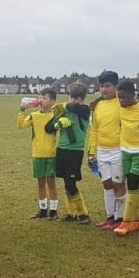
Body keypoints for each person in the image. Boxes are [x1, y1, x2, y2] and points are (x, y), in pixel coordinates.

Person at [112, 80, 139, 236]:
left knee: (133, 183)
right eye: (119, 98)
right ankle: (137, 220)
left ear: (133, 95)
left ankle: (126, 222)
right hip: (124, 151)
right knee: (130, 184)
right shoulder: (120, 108)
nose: (121, 101)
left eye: (124, 97)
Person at [47, 82, 91, 224]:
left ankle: (83, 214)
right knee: (66, 182)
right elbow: (48, 128)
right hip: (62, 150)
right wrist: (58, 123)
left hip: (75, 152)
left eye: (77, 98)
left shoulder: (84, 110)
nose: (73, 100)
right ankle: (70, 213)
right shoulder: (63, 111)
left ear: (82, 99)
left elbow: (76, 107)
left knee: (71, 183)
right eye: (71, 97)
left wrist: (65, 105)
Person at [87, 71, 125, 229]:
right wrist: (91, 152)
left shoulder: (123, 103)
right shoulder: (98, 106)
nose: (103, 89)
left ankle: (121, 218)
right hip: (101, 151)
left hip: (118, 150)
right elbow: (94, 130)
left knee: (118, 183)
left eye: (107, 86)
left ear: (116, 86)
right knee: (107, 184)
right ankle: (110, 216)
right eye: (101, 86)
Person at [18, 88, 60, 219]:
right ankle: (42, 209)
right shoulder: (34, 115)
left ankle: (53, 210)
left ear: (53, 101)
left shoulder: (56, 116)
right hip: (37, 154)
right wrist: (22, 109)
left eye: (44, 98)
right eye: (40, 97)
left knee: (51, 182)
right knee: (40, 183)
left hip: (51, 154)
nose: (40, 100)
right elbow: (21, 125)